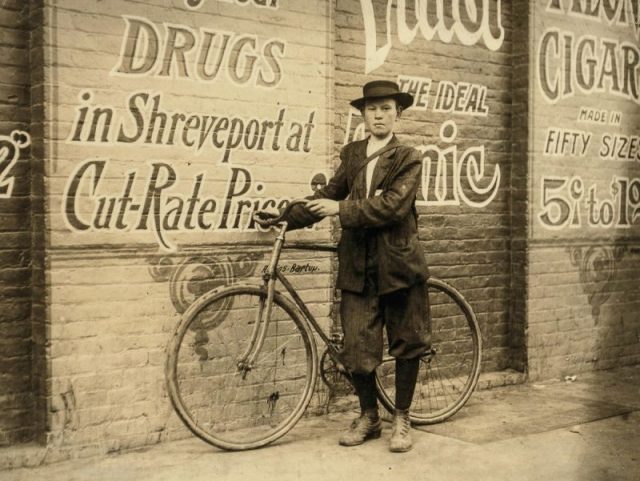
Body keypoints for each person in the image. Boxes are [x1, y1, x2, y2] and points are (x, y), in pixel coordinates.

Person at [258, 80, 430, 452]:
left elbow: (394, 207)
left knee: (407, 343)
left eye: (386, 108)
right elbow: (328, 197)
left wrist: (343, 209)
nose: (379, 115)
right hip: (358, 266)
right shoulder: (353, 154)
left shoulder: (408, 156)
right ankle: (369, 416)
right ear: (363, 115)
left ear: (397, 113)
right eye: (372, 109)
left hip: (398, 264)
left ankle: (401, 418)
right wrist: (286, 214)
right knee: (356, 346)